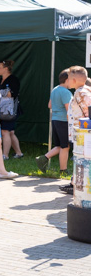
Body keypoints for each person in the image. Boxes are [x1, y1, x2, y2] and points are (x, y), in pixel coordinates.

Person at [37, 70, 72, 177]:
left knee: (59, 146)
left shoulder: (55, 89)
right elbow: (68, 110)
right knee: (65, 147)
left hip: (55, 120)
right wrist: (71, 122)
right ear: (67, 80)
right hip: (64, 121)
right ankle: (63, 170)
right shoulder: (66, 92)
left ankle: (43, 159)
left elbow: (49, 105)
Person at [62, 66, 91, 194]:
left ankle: (79, 185)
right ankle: (76, 183)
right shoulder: (84, 90)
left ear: (73, 80)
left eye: (68, 78)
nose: (67, 81)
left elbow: (87, 113)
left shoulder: (81, 93)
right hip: (81, 132)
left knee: (81, 158)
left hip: (83, 133)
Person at [0, 59, 23, 159]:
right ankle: (19, 153)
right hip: (1, 109)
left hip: (9, 110)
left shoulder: (13, 79)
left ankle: (5, 155)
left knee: (5, 131)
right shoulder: (0, 80)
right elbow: (5, 94)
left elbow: (12, 94)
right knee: (11, 132)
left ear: (6, 69)